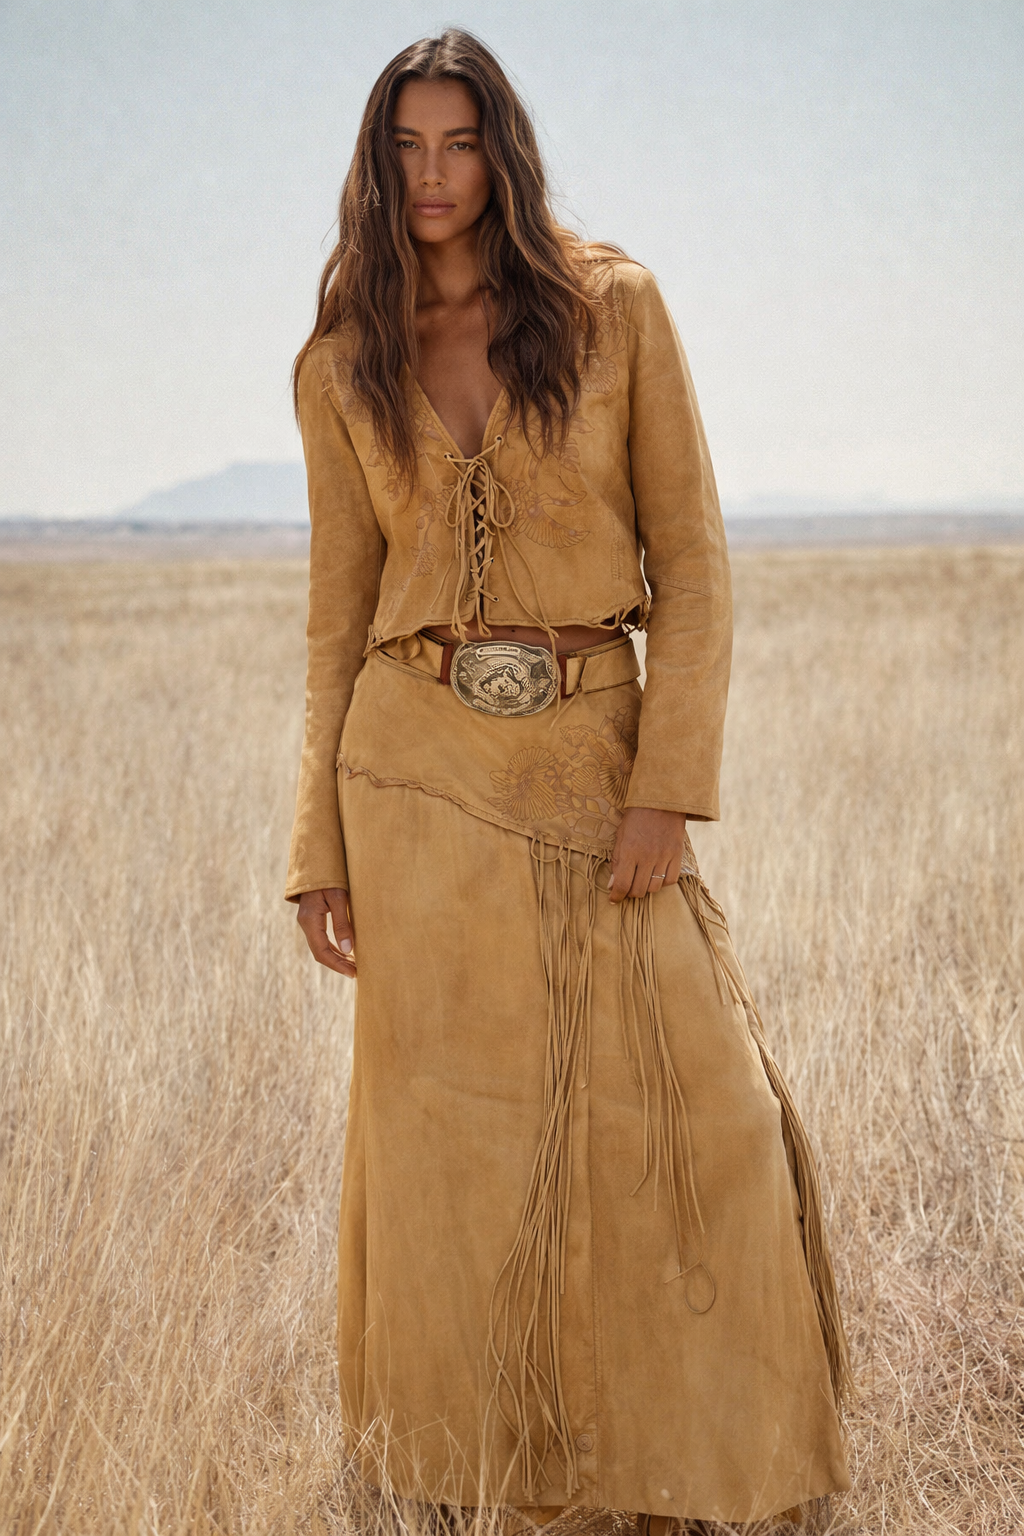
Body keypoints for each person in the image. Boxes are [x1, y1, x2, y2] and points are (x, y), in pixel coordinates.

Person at [286, 30, 851, 1535]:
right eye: (404, 147)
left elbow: (700, 570)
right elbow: (338, 616)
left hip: (596, 768)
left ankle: (695, 1473)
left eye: (458, 143)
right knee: (450, 1153)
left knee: (700, 1119)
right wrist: (314, 850)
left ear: (504, 153)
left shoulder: (615, 312)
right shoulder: (341, 360)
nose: (430, 176)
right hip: (408, 787)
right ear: (373, 159)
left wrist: (669, 785)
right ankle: (484, 1483)